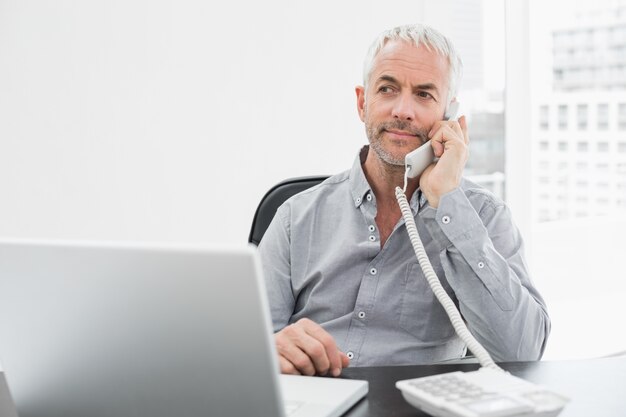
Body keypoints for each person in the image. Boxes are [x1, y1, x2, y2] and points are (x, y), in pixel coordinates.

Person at [259, 24, 550, 377]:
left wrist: (447, 203)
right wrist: (268, 351)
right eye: (387, 89)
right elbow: (247, 348)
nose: (403, 110)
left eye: (424, 95)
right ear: (362, 102)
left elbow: (523, 352)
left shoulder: (484, 217)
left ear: (449, 115)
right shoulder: (294, 217)